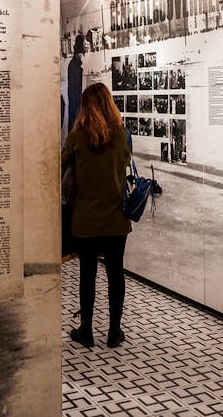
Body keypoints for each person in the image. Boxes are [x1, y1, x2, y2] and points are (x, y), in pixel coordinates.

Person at [61, 83, 132, 348]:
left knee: (87, 274)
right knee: (116, 275)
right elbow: (124, 165)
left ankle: (87, 330)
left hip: (85, 220)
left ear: (86, 107)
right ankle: (114, 332)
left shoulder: (78, 136)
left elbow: (60, 162)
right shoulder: (123, 135)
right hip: (115, 219)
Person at [67, 33, 85, 132]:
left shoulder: (75, 64)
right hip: (75, 101)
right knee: (74, 122)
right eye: (80, 53)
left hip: (76, 100)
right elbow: (74, 88)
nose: (82, 55)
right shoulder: (74, 65)